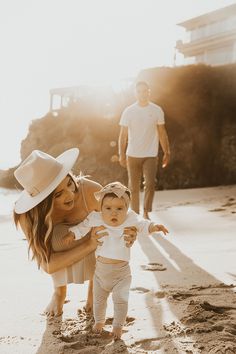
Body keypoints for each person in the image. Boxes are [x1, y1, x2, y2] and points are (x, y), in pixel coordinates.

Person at [13, 148, 137, 317]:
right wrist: (88, 244)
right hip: (81, 244)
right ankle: (59, 292)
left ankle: (94, 292)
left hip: (98, 246)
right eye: (58, 194)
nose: (70, 194)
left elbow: (118, 220)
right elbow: (48, 265)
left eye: (69, 183)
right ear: (42, 201)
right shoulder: (28, 216)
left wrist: (130, 232)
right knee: (56, 237)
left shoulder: (89, 191)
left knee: (102, 229)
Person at [63, 181, 169, 339]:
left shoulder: (130, 218)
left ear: (127, 209)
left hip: (122, 274)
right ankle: (99, 321)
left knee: (120, 301)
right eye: (108, 208)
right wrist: (72, 234)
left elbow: (142, 224)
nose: (114, 213)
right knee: (98, 301)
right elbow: (83, 226)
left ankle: (118, 326)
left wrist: (154, 226)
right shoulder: (96, 218)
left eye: (119, 208)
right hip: (100, 273)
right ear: (100, 208)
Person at [119, 80, 171, 220]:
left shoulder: (156, 110)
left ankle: (146, 211)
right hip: (132, 154)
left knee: (150, 183)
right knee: (133, 187)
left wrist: (167, 151)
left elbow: (162, 132)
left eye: (145, 91)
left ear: (149, 92)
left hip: (150, 154)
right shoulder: (128, 111)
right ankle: (135, 214)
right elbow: (123, 135)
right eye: (139, 91)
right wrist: (121, 154)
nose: (142, 94)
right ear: (135, 93)